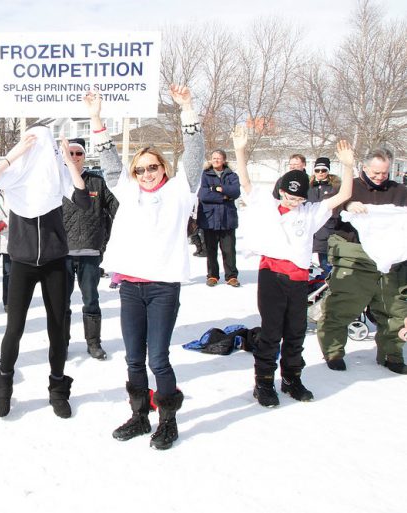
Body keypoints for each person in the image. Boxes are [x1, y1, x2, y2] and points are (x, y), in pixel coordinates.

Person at [89, 85, 203, 450]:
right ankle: (140, 416)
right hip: (131, 288)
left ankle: (167, 420)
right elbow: (110, 162)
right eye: (140, 169)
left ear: (163, 168)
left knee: (158, 358)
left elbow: (195, 155)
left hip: (162, 288)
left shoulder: (180, 190)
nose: (146, 173)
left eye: (152, 167)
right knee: (134, 359)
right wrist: (96, 117)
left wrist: (188, 109)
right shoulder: (129, 191)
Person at [232, 126, 354, 407]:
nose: (293, 202)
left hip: (298, 279)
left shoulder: (310, 212)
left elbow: (343, 194)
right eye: (289, 196)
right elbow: (246, 182)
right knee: (271, 331)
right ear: (281, 191)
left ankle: (291, 378)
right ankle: (264, 382)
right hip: (272, 275)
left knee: (296, 332)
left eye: (299, 199)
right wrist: (239, 150)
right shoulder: (267, 203)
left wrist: (348, 166)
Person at [0, 127, 89, 419]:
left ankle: (57, 389)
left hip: (55, 262)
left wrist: (69, 163)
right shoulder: (15, 175)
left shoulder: (57, 175)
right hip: (22, 263)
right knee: (14, 328)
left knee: (58, 328)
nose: (39, 152)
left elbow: (83, 200)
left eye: (45, 146)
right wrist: (13, 156)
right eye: (32, 145)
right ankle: (3, 388)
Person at [317, 148, 407, 374]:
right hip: (355, 254)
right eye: (375, 172)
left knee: (394, 308)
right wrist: (347, 206)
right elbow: (328, 206)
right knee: (343, 305)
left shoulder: (399, 192)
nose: (380, 177)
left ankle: (392, 354)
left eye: (384, 173)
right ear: (365, 167)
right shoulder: (351, 187)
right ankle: (333, 351)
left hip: (391, 258)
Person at [62, 137, 119, 359]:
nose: (75, 157)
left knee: (91, 300)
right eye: (71, 153)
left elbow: (117, 210)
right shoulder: (57, 180)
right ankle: (61, 343)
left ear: (85, 156)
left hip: (90, 252)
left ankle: (94, 343)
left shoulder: (97, 182)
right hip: (62, 254)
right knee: (61, 302)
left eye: (79, 153)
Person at [197, 149, 241, 287]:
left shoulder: (232, 175)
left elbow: (236, 192)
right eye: (214, 158)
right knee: (211, 250)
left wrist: (219, 189)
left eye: (219, 158)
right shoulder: (205, 175)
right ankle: (212, 276)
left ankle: (231, 276)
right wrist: (225, 197)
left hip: (227, 218)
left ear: (224, 160)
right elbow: (203, 195)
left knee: (229, 250)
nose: (216, 160)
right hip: (209, 219)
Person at [307, 157, 340, 275]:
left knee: (325, 264)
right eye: (317, 170)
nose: (320, 173)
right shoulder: (309, 186)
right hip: (309, 230)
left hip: (326, 231)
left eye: (323, 170)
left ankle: (327, 283)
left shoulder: (335, 187)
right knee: (305, 264)